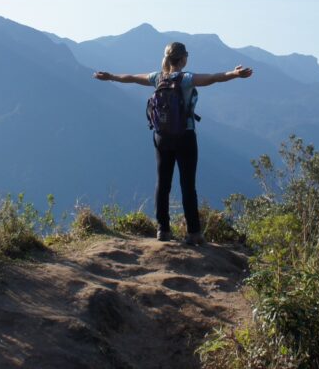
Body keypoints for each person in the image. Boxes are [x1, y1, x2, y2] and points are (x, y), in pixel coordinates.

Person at [93, 42, 253, 245]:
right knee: (188, 185)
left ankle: (163, 230)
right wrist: (234, 73)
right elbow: (213, 78)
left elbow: (132, 78)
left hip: (162, 137)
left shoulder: (157, 78)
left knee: (163, 183)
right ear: (183, 59)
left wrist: (111, 77)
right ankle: (194, 233)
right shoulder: (186, 79)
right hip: (185, 136)